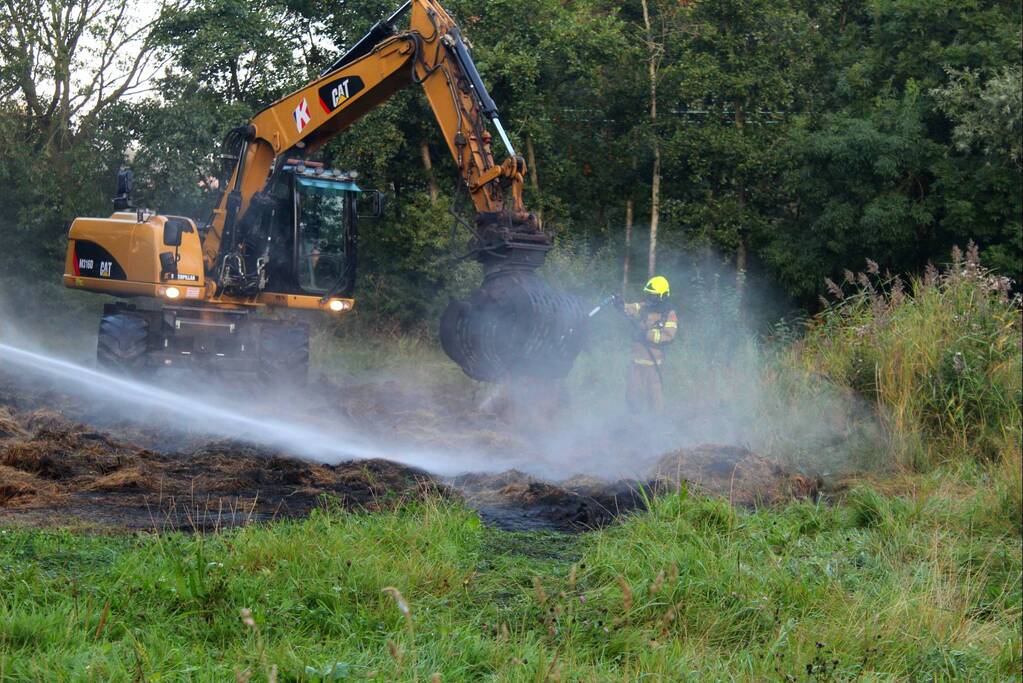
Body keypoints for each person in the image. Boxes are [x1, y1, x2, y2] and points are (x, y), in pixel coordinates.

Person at [621, 275, 678, 414]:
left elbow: (668, 336)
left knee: (655, 399)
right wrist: (621, 304)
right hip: (636, 362)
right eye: (648, 295)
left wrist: (646, 335)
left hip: (654, 365)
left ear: (662, 296)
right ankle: (634, 421)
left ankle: (656, 424)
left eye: (652, 296)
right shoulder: (645, 306)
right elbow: (632, 308)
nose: (649, 299)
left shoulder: (669, 314)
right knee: (632, 395)